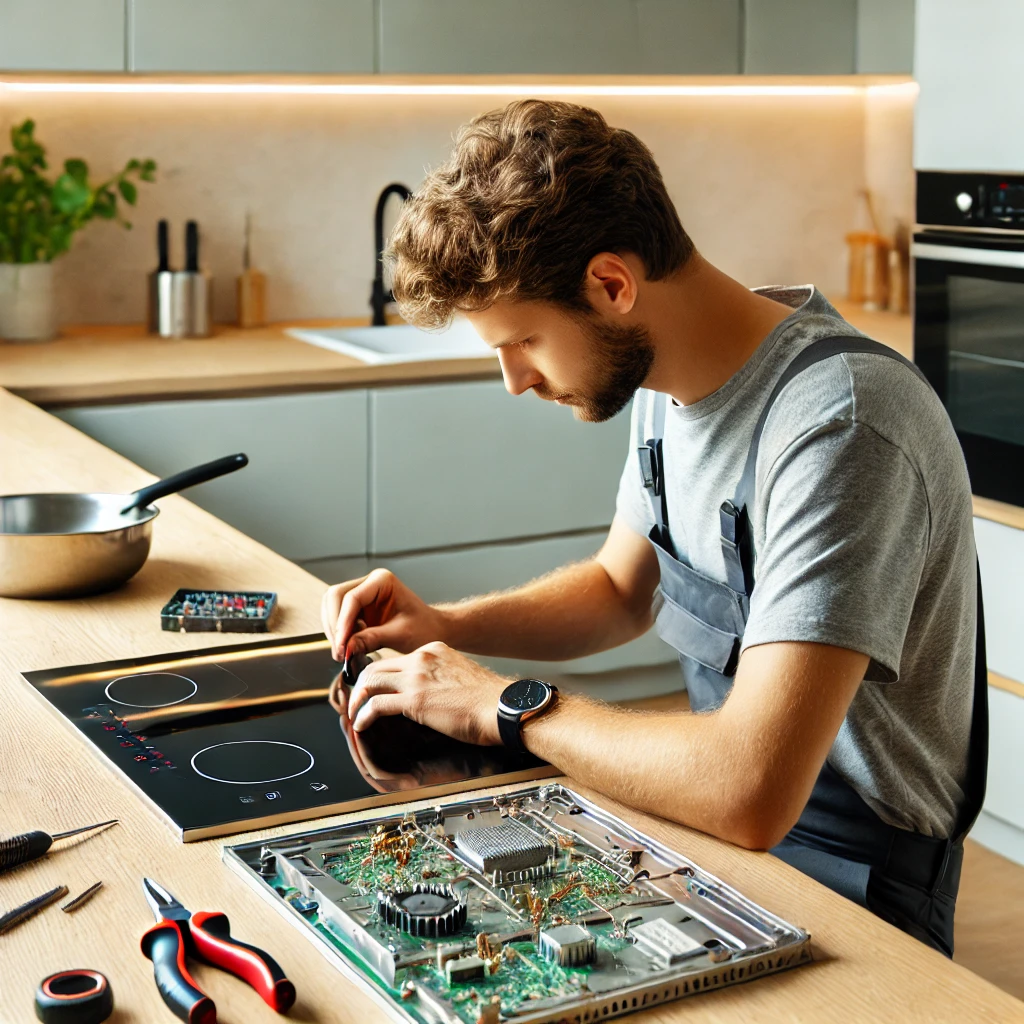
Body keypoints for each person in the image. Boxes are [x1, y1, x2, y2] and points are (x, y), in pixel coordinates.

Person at [322, 100, 985, 956]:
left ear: (611, 284)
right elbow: (617, 591)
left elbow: (751, 786)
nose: (514, 380)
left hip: (854, 884)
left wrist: (502, 703)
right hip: (713, 831)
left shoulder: (842, 423)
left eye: (522, 340)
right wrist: (449, 627)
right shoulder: (664, 387)